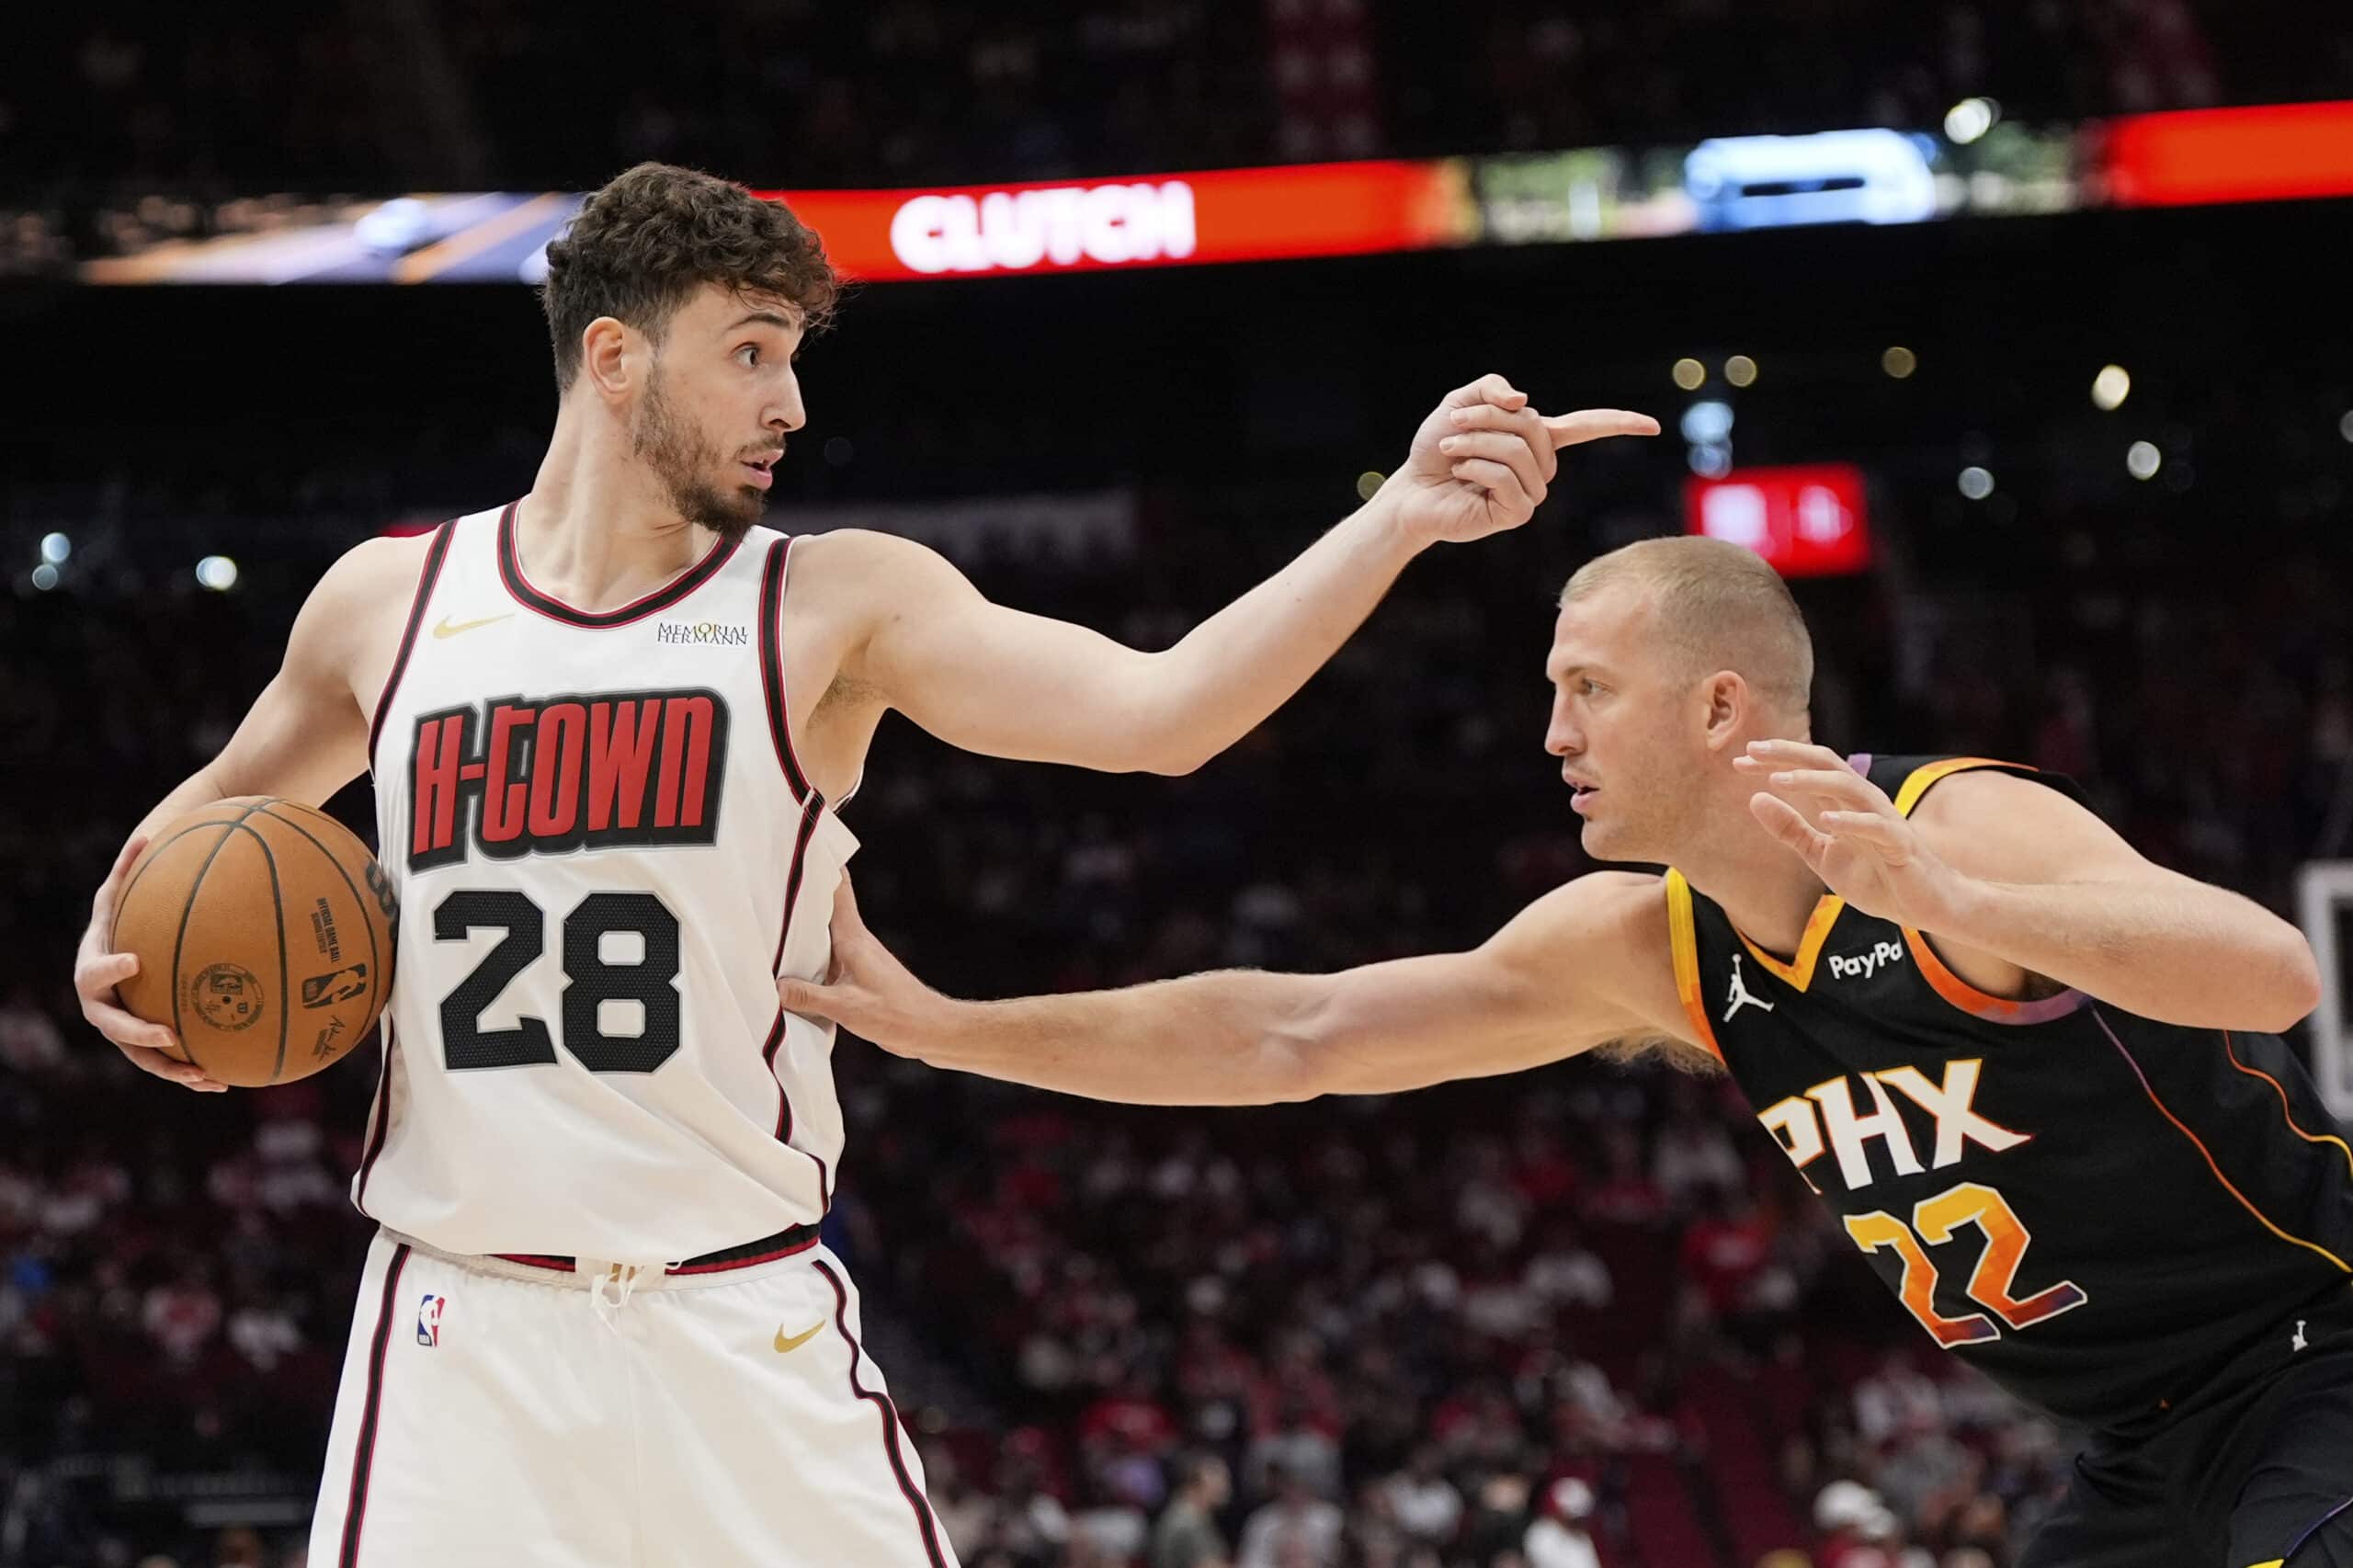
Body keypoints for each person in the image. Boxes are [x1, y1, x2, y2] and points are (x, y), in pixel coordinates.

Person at [66, 162, 1654, 1567]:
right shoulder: (382, 607)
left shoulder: (831, 606)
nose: (793, 405)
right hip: (455, 1322)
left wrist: (1398, 522)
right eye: (750, 354)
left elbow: (1162, 714)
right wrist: (106, 943)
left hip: (732, 1311)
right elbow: (194, 836)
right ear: (613, 359)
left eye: (796, 359)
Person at [788, 534, 2353, 1568]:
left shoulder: (1951, 826)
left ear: (1722, 705)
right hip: (2136, 1449)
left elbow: (2270, 971)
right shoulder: (1648, 943)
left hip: (2318, 1366)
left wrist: (1956, 898)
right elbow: (1295, 1030)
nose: (1552, 731)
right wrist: (946, 1028)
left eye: (1589, 689)